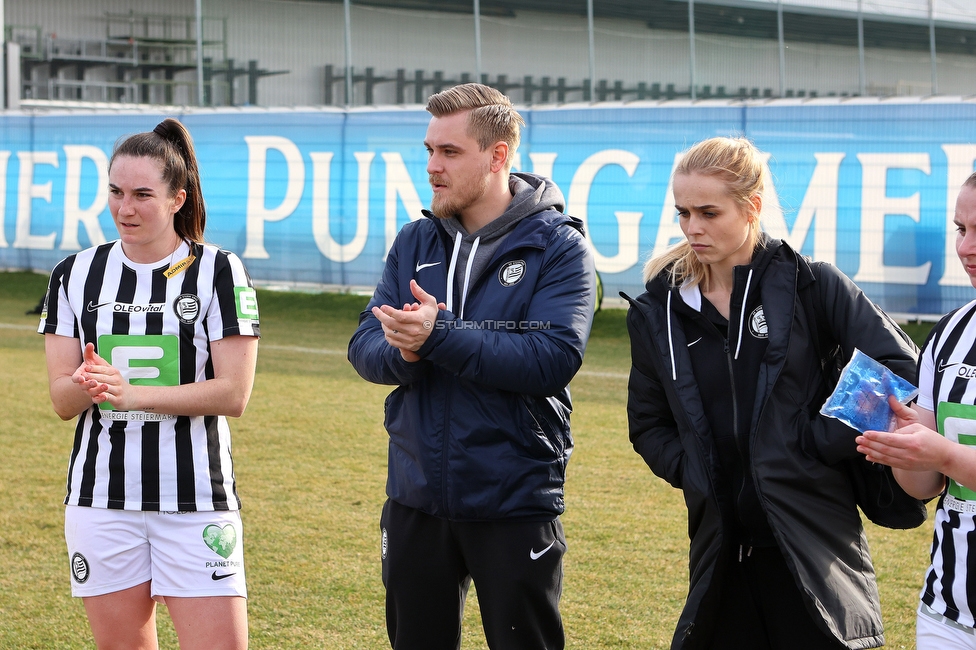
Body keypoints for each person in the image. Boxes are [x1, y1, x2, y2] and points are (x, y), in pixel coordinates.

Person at [622, 136, 917, 650]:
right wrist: (693, 467)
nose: (693, 227)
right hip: (720, 550)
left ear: (751, 207)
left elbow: (897, 366)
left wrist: (816, 443)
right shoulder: (658, 311)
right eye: (683, 213)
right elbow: (647, 424)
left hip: (813, 546)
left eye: (709, 212)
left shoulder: (812, 285)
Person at [347, 83, 595, 650]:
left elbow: (552, 358)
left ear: (498, 155)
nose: (433, 167)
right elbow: (364, 345)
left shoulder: (557, 247)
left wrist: (439, 335)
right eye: (429, 150)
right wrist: (405, 352)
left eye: (450, 152)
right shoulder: (415, 239)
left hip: (513, 497)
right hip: (415, 495)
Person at [38, 117, 259, 650]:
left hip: (197, 502)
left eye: (142, 194)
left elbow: (234, 394)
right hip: (101, 502)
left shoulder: (220, 271)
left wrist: (132, 393)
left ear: (178, 197)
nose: (125, 208)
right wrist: (88, 381)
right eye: (115, 192)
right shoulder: (74, 273)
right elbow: (62, 401)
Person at [856, 171, 976, 649]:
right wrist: (901, 446)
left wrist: (943, 454)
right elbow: (926, 488)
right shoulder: (949, 334)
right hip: (948, 611)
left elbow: (945, 459)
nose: (967, 248)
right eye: (961, 229)